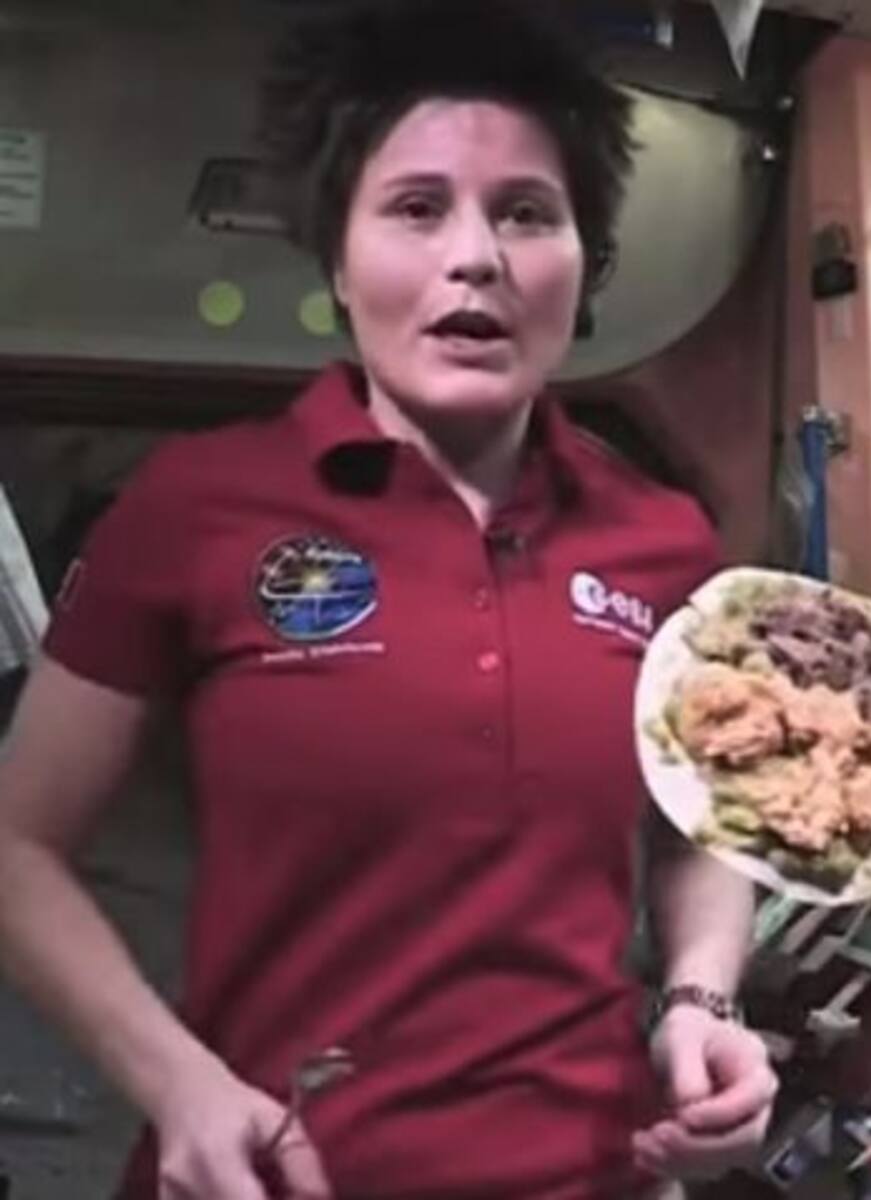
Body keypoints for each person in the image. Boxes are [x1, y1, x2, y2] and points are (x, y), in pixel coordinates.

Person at [0, 2, 777, 1196]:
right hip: (276, 1172)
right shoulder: (198, 505)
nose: (477, 255)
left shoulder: (663, 540)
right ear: (338, 259)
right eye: (417, 208)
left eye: (528, 212)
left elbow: (704, 824)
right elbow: (17, 844)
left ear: (585, 264)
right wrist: (175, 1083)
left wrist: (700, 1001)